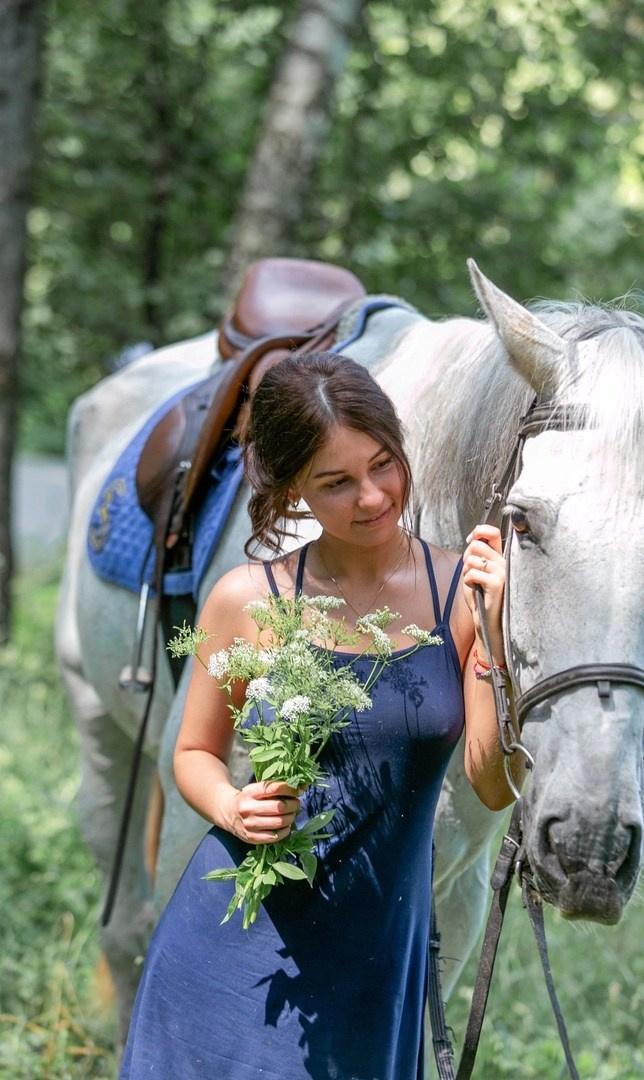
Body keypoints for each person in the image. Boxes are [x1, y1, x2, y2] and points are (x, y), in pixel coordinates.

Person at [119, 351, 520, 1080]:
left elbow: (493, 787)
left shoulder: (463, 593)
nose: (372, 497)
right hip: (234, 953)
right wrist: (233, 806)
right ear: (292, 490)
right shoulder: (248, 599)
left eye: (383, 465)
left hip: (375, 957)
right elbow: (194, 754)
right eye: (336, 483)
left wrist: (494, 636)